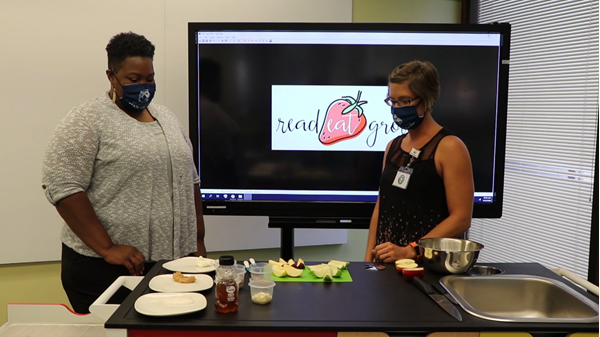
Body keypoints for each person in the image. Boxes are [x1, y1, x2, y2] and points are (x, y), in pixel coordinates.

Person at [42, 32, 206, 313]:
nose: (143, 86)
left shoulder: (166, 117)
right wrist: (107, 248)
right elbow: (63, 186)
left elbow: (191, 180)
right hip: (105, 269)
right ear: (111, 76)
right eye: (133, 79)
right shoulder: (87, 119)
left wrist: (198, 242)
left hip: (170, 268)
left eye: (149, 78)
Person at [364, 60, 474, 263]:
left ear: (426, 100)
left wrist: (411, 250)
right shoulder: (393, 147)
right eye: (392, 101)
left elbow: (461, 218)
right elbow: (381, 207)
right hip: (386, 262)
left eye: (405, 101)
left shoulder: (449, 147)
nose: (397, 108)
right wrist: (367, 259)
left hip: (427, 265)